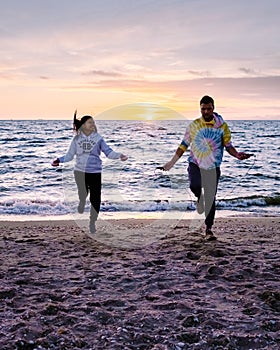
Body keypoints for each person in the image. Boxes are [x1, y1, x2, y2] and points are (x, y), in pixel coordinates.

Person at [162, 95, 252, 240]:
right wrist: (171, 163)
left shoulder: (222, 126)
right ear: (200, 109)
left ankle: (208, 230)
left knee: (211, 198)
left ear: (213, 108)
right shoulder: (194, 125)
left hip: (213, 166)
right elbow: (183, 146)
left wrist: (237, 155)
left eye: (208, 109)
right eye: (203, 109)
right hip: (195, 163)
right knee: (195, 185)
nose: (206, 112)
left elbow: (228, 146)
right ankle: (200, 199)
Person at [52, 111, 128, 234]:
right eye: (90, 122)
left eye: (93, 122)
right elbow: (70, 155)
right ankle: (82, 202)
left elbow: (108, 152)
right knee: (83, 194)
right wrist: (58, 160)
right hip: (80, 172)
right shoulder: (76, 139)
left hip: (95, 172)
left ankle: (92, 222)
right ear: (83, 125)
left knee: (95, 199)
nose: (93, 124)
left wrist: (120, 156)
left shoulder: (98, 139)